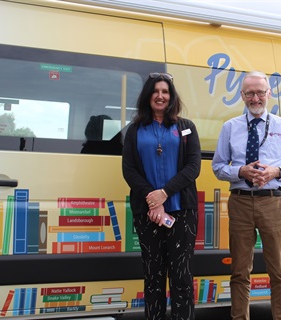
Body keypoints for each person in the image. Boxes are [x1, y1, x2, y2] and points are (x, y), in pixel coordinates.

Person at [212, 71, 281, 320]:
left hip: (273, 202)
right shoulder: (230, 127)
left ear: (269, 94)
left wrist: (276, 171)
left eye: (260, 92)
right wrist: (240, 171)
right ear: (242, 95)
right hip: (240, 202)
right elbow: (218, 167)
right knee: (240, 272)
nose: (255, 98)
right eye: (250, 93)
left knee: (279, 272)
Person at [122, 72, 201, 320]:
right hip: (148, 214)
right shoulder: (135, 130)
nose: (160, 96)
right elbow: (129, 169)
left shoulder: (186, 128)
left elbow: (193, 167)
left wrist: (164, 193)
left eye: (165, 92)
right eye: (155, 91)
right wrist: (152, 200)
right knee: (153, 277)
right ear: (148, 96)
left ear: (171, 96)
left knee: (182, 278)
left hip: (182, 212)